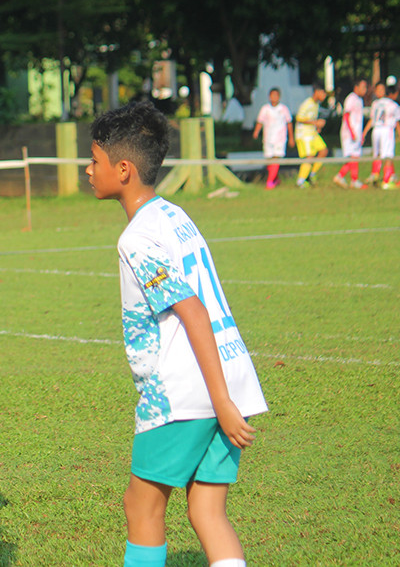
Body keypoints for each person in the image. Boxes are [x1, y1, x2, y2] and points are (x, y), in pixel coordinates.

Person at [85, 100, 268, 567]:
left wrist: (220, 401)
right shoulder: (174, 214)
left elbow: (194, 313)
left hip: (186, 391)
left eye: (94, 161)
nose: (88, 170)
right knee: (207, 510)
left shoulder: (138, 237)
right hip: (230, 375)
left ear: (123, 169)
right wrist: (227, 398)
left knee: (140, 504)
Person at [252, 88, 294, 189]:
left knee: (276, 159)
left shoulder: (283, 109)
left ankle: (269, 182)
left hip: (280, 138)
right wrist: (256, 131)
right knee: (269, 160)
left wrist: (291, 137)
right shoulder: (265, 109)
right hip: (268, 138)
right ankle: (275, 179)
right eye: (272, 95)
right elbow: (260, 121)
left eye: (276, 95)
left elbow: (289, 123)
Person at [333, 79, 368, 189]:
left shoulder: (359, 100)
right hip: (349, 133)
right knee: (353, 157)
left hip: (356, 133)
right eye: (363, 87)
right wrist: (352, 132)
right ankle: (353, 180)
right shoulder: (351, 99)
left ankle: (341, 176)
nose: (365, 90)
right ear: (356, 87)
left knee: (354, 157)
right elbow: (346, 116)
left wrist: (360, 134)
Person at [362, 83, 398, 187]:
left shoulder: (376, 104)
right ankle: (386, 181)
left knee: (377, 154)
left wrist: (364, 132)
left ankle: (375, 175)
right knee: (387, 155)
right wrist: (364, 132)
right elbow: (397, 121)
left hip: (376, 130)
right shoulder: (391, 104)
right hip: (385, 129)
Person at [294, 85, 330, 187]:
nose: (324, 96)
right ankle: (300, 181)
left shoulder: (316, 104)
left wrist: (317, 126)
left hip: (312, 133)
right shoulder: (307, 103)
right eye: (323, 93)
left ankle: (312, 173)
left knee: (323, 151)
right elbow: (299, 118)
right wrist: (315, 123)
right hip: (304, 134)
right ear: (317, 91)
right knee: (309, 156)